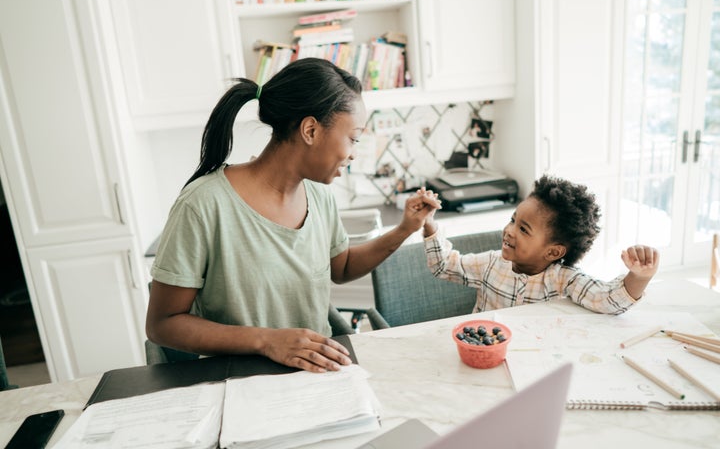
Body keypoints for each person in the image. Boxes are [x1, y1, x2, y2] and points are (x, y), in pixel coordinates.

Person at [146, 58, 440, 373]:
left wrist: (405, 229)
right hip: (239, 383)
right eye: (353, 138)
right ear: (310, 130)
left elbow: (340, 268)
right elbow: (163, 325)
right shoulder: (203, 204)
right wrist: (267, 340)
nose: (354, 152)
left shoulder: (319, 195)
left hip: (318, 375)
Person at [420, 175, 660, 314]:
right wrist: (429, 223)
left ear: (553, 251)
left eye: (523, 229)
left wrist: (638, 277)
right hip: (486, 355)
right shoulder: (491, 264)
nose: (509, 231)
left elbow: (607, 301)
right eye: (513, 220)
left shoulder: (564, 279)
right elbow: (444, 266)